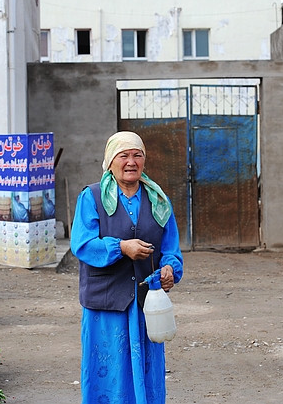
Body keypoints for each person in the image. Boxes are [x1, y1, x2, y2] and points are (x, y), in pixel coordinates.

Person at [70, 131, 184, 404]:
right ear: (110, 161)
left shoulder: (158, 199)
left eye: (137, 155)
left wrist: (170, 269)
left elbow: (171, 248)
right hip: (106, 302)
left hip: (147, 304)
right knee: (109, 372)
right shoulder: (92, 197)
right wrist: (121, 247)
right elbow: (82, 244)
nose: (131, 161)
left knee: (147, 370)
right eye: (124, 155)